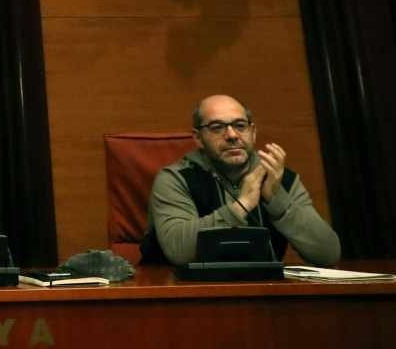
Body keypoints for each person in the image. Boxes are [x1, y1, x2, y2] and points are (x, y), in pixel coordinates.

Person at [140, 94, 340, 265]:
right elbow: (178, 251)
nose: (232, 135)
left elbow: (328, 254)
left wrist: (276, 201)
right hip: (184, 297)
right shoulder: (176, 178)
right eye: (217, 127)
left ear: (253, 133)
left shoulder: (277, 177)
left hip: (263, 297)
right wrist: (241, 205)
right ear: (198, 138)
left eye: (240, 125)